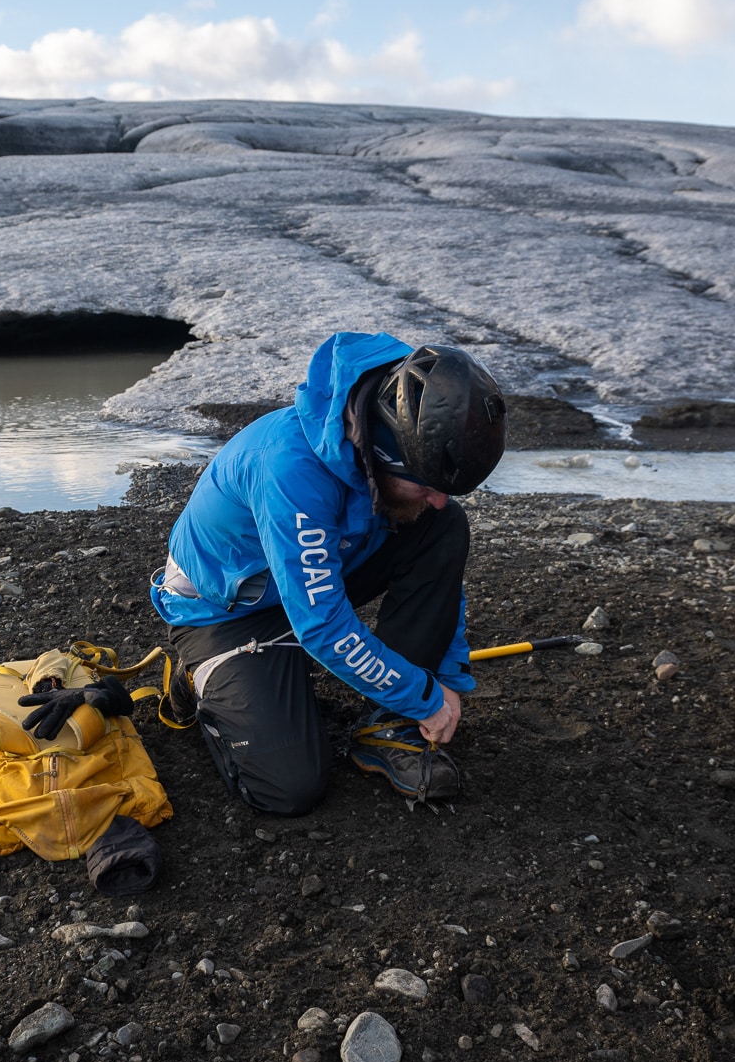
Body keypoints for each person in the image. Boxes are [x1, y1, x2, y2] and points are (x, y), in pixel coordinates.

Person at [150, 331, 506, 814]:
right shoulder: (289, 468)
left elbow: (439, 575)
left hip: (315, 578)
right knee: (289, 789)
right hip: (227, 610)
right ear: (382, 454)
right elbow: (323, 625)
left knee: (442, 525)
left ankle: (385, 727)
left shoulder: (384, 439)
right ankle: (198, 676)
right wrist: (426, 697)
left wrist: (449, 677)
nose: (440, 496)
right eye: (426, 484)